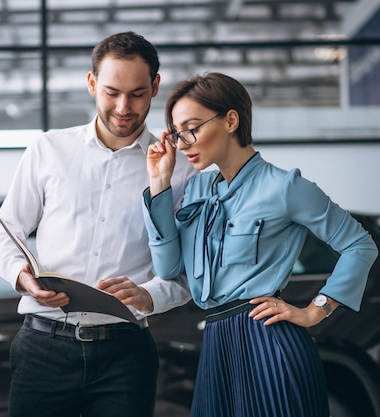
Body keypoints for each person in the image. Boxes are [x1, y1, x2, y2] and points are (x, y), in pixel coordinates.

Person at [142, 72, 379, 417]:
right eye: (177, 133)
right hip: (217, 344)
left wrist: (316, 311)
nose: (184, 143)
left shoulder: (285, 187)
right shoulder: (196, 190)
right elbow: (168, 268)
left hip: (268, 343)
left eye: (192, 128)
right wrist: (159, 183)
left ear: (231, 121)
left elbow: (360, 245)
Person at [0, 31, 196, 417]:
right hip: (43, 348)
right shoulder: (48, 149)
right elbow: (5, 230)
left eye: (136, 93)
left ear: (154, 87)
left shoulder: (181, 172)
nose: (123, 106)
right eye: (111, 91)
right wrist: (23, 278)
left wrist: (150, 295)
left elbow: (187, 274)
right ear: (91, 83)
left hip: (126, 354)